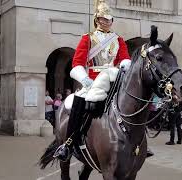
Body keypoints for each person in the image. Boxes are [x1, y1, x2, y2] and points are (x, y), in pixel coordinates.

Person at [53, 0, 133, 161]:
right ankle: (68, 144)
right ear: (97, 20)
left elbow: (124, 59)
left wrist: (125, 67)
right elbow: (77, 63)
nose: (107, 22)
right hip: (92, 80)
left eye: (110, 19)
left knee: (132, 103)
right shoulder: (87, 39)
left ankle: (138, 142)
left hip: (113, 79)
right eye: (104, 19)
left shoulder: (118, 40)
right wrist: (85, 79)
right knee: (79, 103)